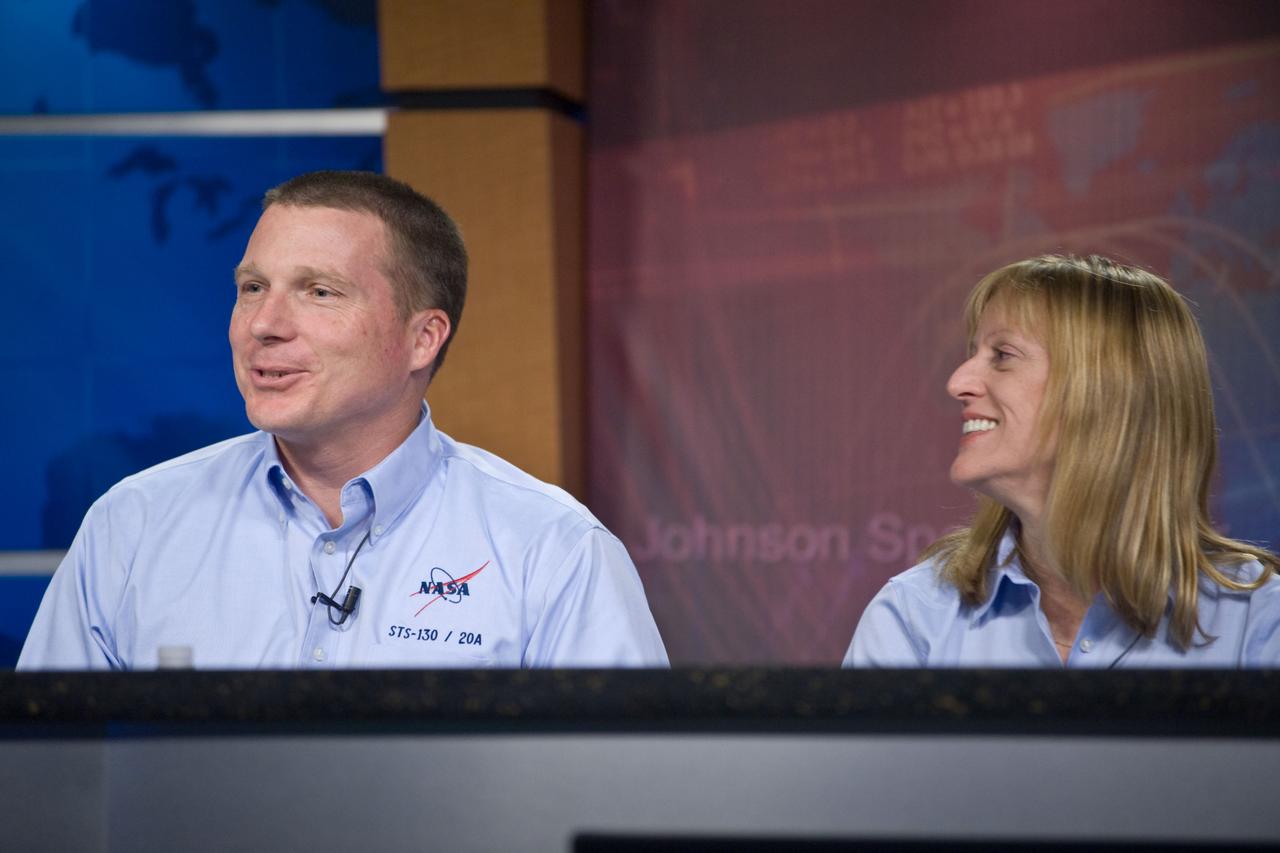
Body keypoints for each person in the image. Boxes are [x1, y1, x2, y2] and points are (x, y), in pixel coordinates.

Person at [19, 171, 668, 670]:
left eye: (319, 291)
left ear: (424, 338)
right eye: (251, 288)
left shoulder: (552, 552)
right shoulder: (130, 528)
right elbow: (40, 789)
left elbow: (623, 799)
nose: (264, 326)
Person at [845, 254, 1280, 667]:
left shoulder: (1257, 622)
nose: (958, 381)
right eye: (974, 352)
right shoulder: (915, 615)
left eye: (1002, 355)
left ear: (1106, 391)